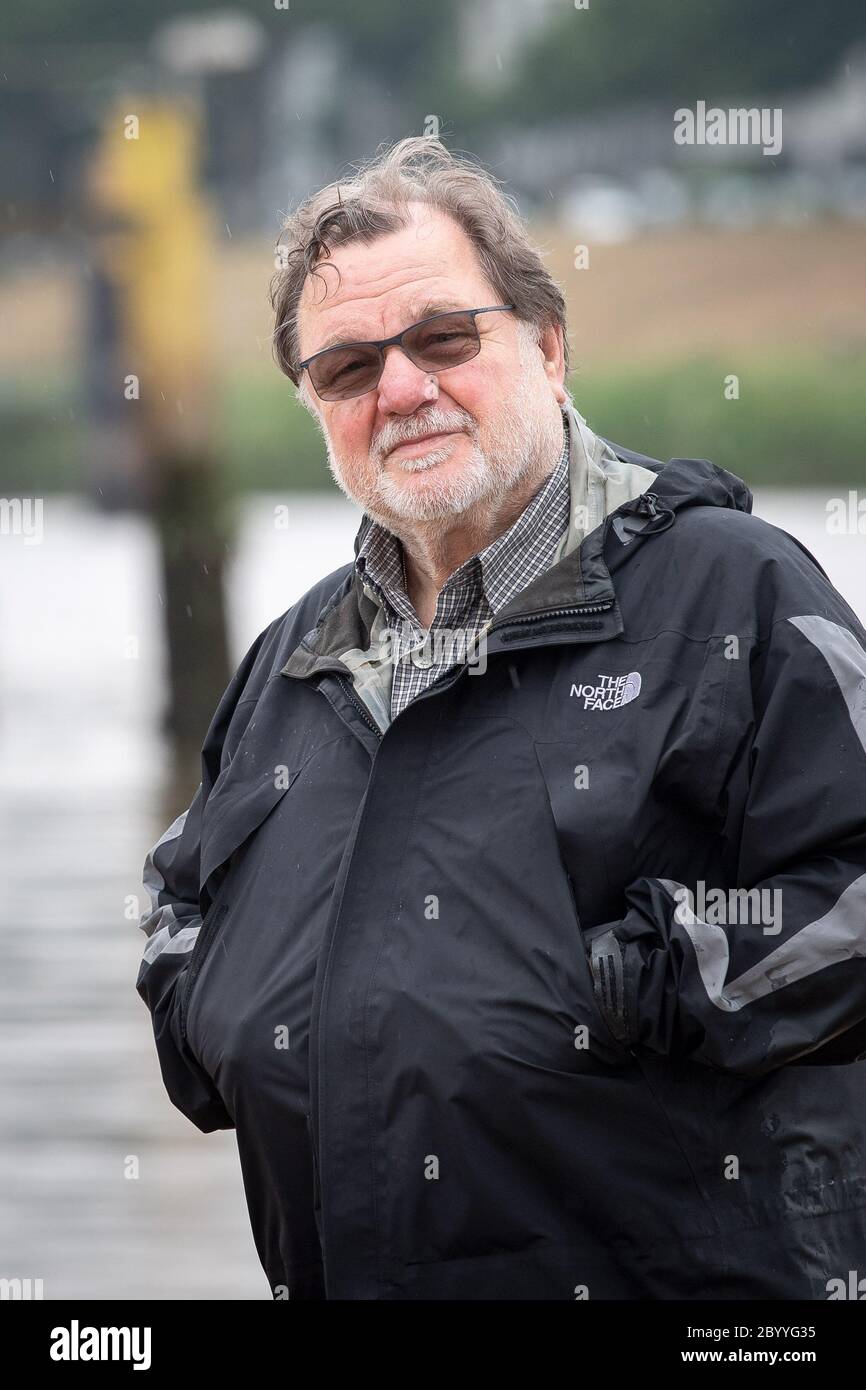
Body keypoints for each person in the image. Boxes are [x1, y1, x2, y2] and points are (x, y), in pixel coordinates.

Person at [137, 136, 866, 1300]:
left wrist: (653, 981)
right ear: (313, 407)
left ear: (547, 344)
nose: (403, 390)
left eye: (442, 338)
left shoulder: (734, 593)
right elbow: (179, 894)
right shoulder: (288, 661)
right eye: (346, 368)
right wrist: (210, 1013)